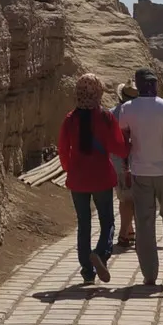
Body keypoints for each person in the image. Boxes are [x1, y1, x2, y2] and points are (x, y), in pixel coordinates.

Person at [117, 66, 163, 288]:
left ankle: (149, 274)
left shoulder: (127, 109)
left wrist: (125, 168)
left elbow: (124, 142)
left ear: (138, 85)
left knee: (145, 224)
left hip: (140, 173)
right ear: (155, 84)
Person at [56, 74, 127, 288]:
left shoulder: (70, 119)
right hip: (102, 177)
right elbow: (118, 147)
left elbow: (62, 150)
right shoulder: (105, 118)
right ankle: (100, 254)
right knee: (107, 221)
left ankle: (87, 271)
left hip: (78, 179)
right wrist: (130, 147)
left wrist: (70, 170)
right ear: (98, 93)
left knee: (83, 224)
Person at [114, 80, 139, 252]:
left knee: (124, 198)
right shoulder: (139, 115)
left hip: (117, 161)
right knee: (133, 199)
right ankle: (125, 233)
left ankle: (128, 231)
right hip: (137, 161)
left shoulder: (112, 114)